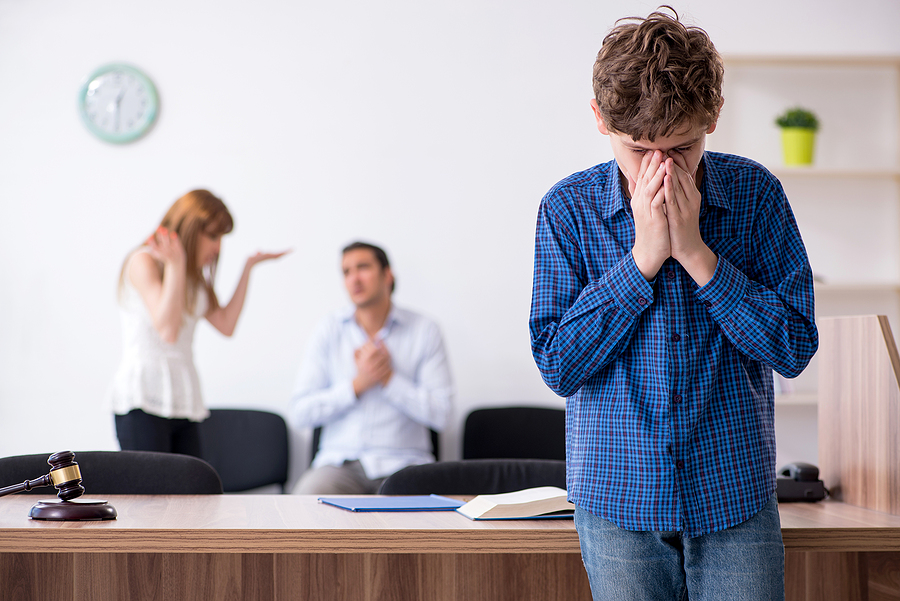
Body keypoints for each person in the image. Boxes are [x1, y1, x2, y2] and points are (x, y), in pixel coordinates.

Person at [528, 8, 818, 601]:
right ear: (600, 120)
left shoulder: (756, 194)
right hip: (616, 501)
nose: (660, 171)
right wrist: (642, 260)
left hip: (734, 494)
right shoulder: (568, 210)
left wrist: (696, 255)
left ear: (712, 118)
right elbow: (558, 364)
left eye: (682, 148)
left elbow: (793, 348)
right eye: (638, 151)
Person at [108, 189, 288, 456]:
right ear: (191, 229)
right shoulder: (144, 261)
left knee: (193, 492)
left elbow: (226, 325)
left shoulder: (193, 278)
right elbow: (167, 329)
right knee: (151, 494)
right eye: (213, 236)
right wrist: (176, 263)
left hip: (182, 398)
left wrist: (248, 268)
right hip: (144, 398)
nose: (217, 248)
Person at [289, 241, 453, 495]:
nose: (354, 278)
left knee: (432, 512)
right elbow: (300, 412)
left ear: (387, 275)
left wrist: (388, 379)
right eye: (346, 271)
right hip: (339, 467)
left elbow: (443, 415)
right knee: (306, 496)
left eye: (363, 267)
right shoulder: (329, 330)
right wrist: (357, 385)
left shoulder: (424, 330)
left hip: (405, 467)